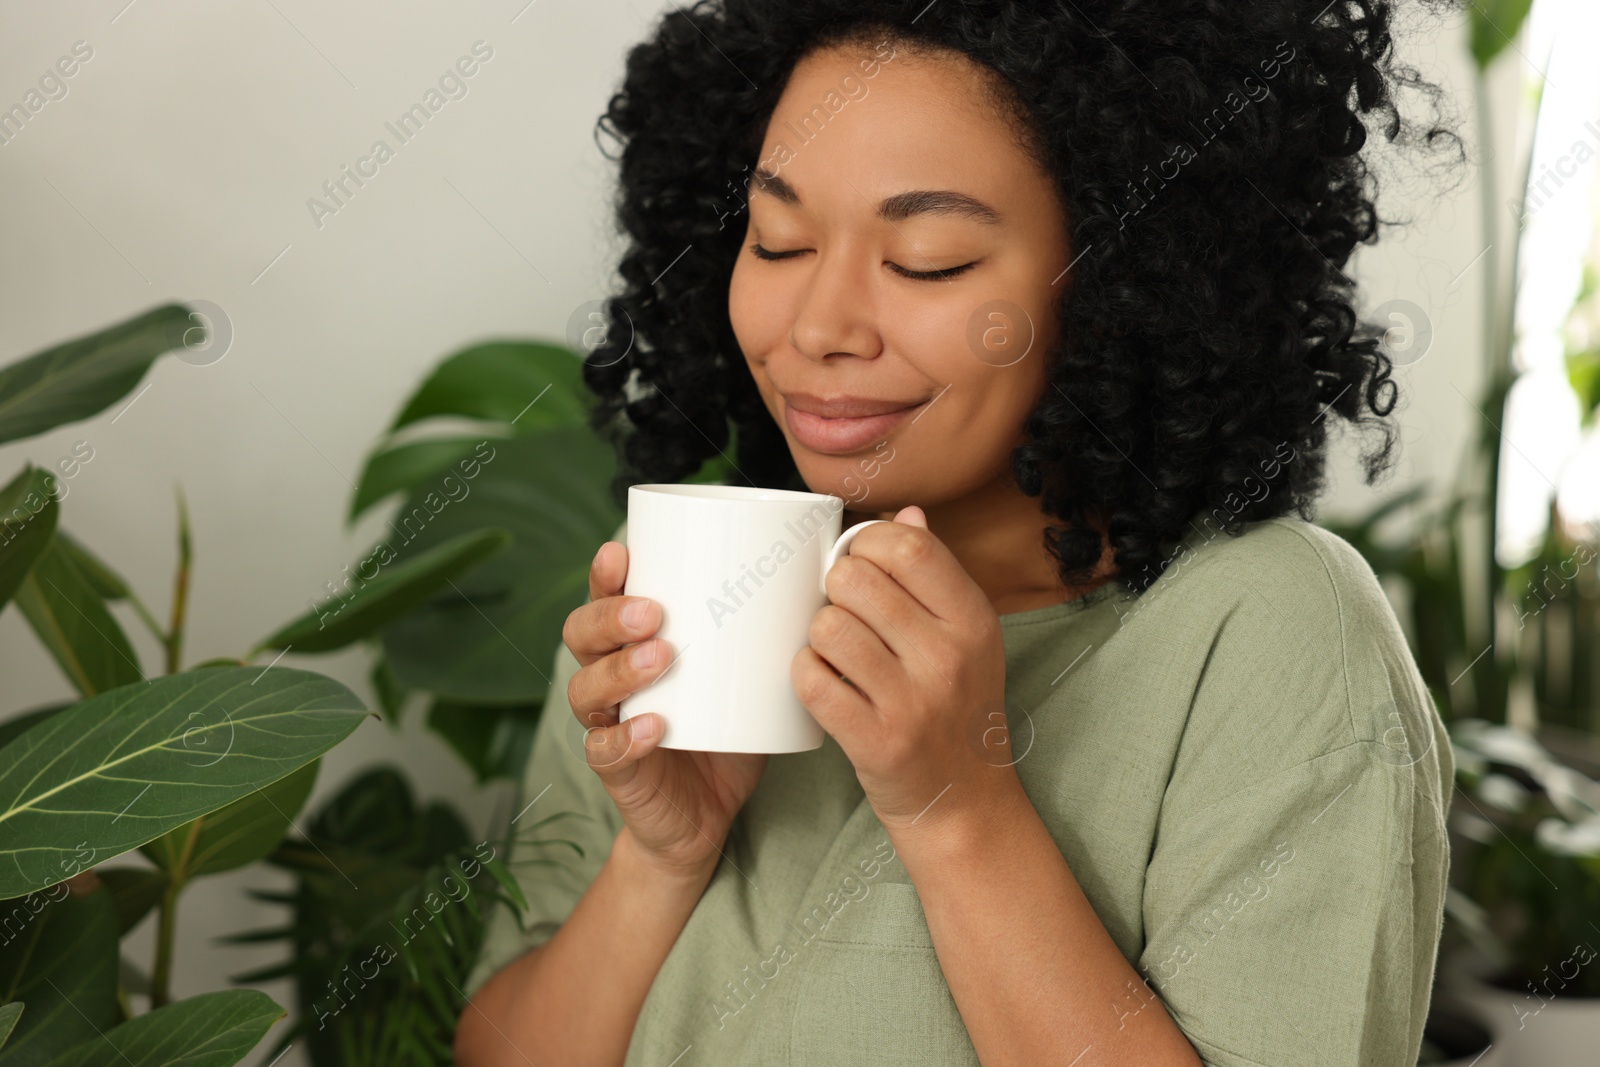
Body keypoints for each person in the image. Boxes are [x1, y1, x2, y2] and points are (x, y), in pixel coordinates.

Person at [455, 1, 1460, 1064]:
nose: (818, 328)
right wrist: (660, 860)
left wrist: (957, 812)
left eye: (927, 259)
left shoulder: (1268, 634)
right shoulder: (694, 600)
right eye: (777, 238)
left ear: (1123, 276)